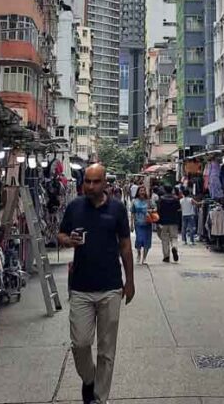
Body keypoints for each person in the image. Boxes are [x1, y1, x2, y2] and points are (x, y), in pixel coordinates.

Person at [58, 164, 135, 404]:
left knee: (106, 350)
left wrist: (129, 281)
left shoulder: (117, 209)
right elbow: (60, 234)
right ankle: (90, 380)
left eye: (95, 182)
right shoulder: (74, 207)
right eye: (87, 182)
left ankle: (99, 399)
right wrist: (68, 240)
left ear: (105, 183)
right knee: (80, 344)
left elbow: (125, 245)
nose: (90, 186)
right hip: (81, 287)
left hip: (111, 287)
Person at [130, 186, 155, 264]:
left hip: (147, 223)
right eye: (141, 190)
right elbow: (132, 213)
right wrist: (131, 224)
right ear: (138, 192)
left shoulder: (149, 201)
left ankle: (144, 258)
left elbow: (155, 208)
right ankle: (138, 254)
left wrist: (151, 210)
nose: (142, 192)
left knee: (147, 241)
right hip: (138, 223)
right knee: (139, 240)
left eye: (144, 190)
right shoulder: (134, 201)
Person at [157, 184, 181, 262]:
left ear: (164, 190)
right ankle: (174, 247)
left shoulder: (161, 199)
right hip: (174, 221)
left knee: (164, 239)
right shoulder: (176, 199)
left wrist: (158, 221)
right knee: (174, 237)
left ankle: (166, 256)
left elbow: (159, 210)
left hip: (164, 221)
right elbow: (178, 208)